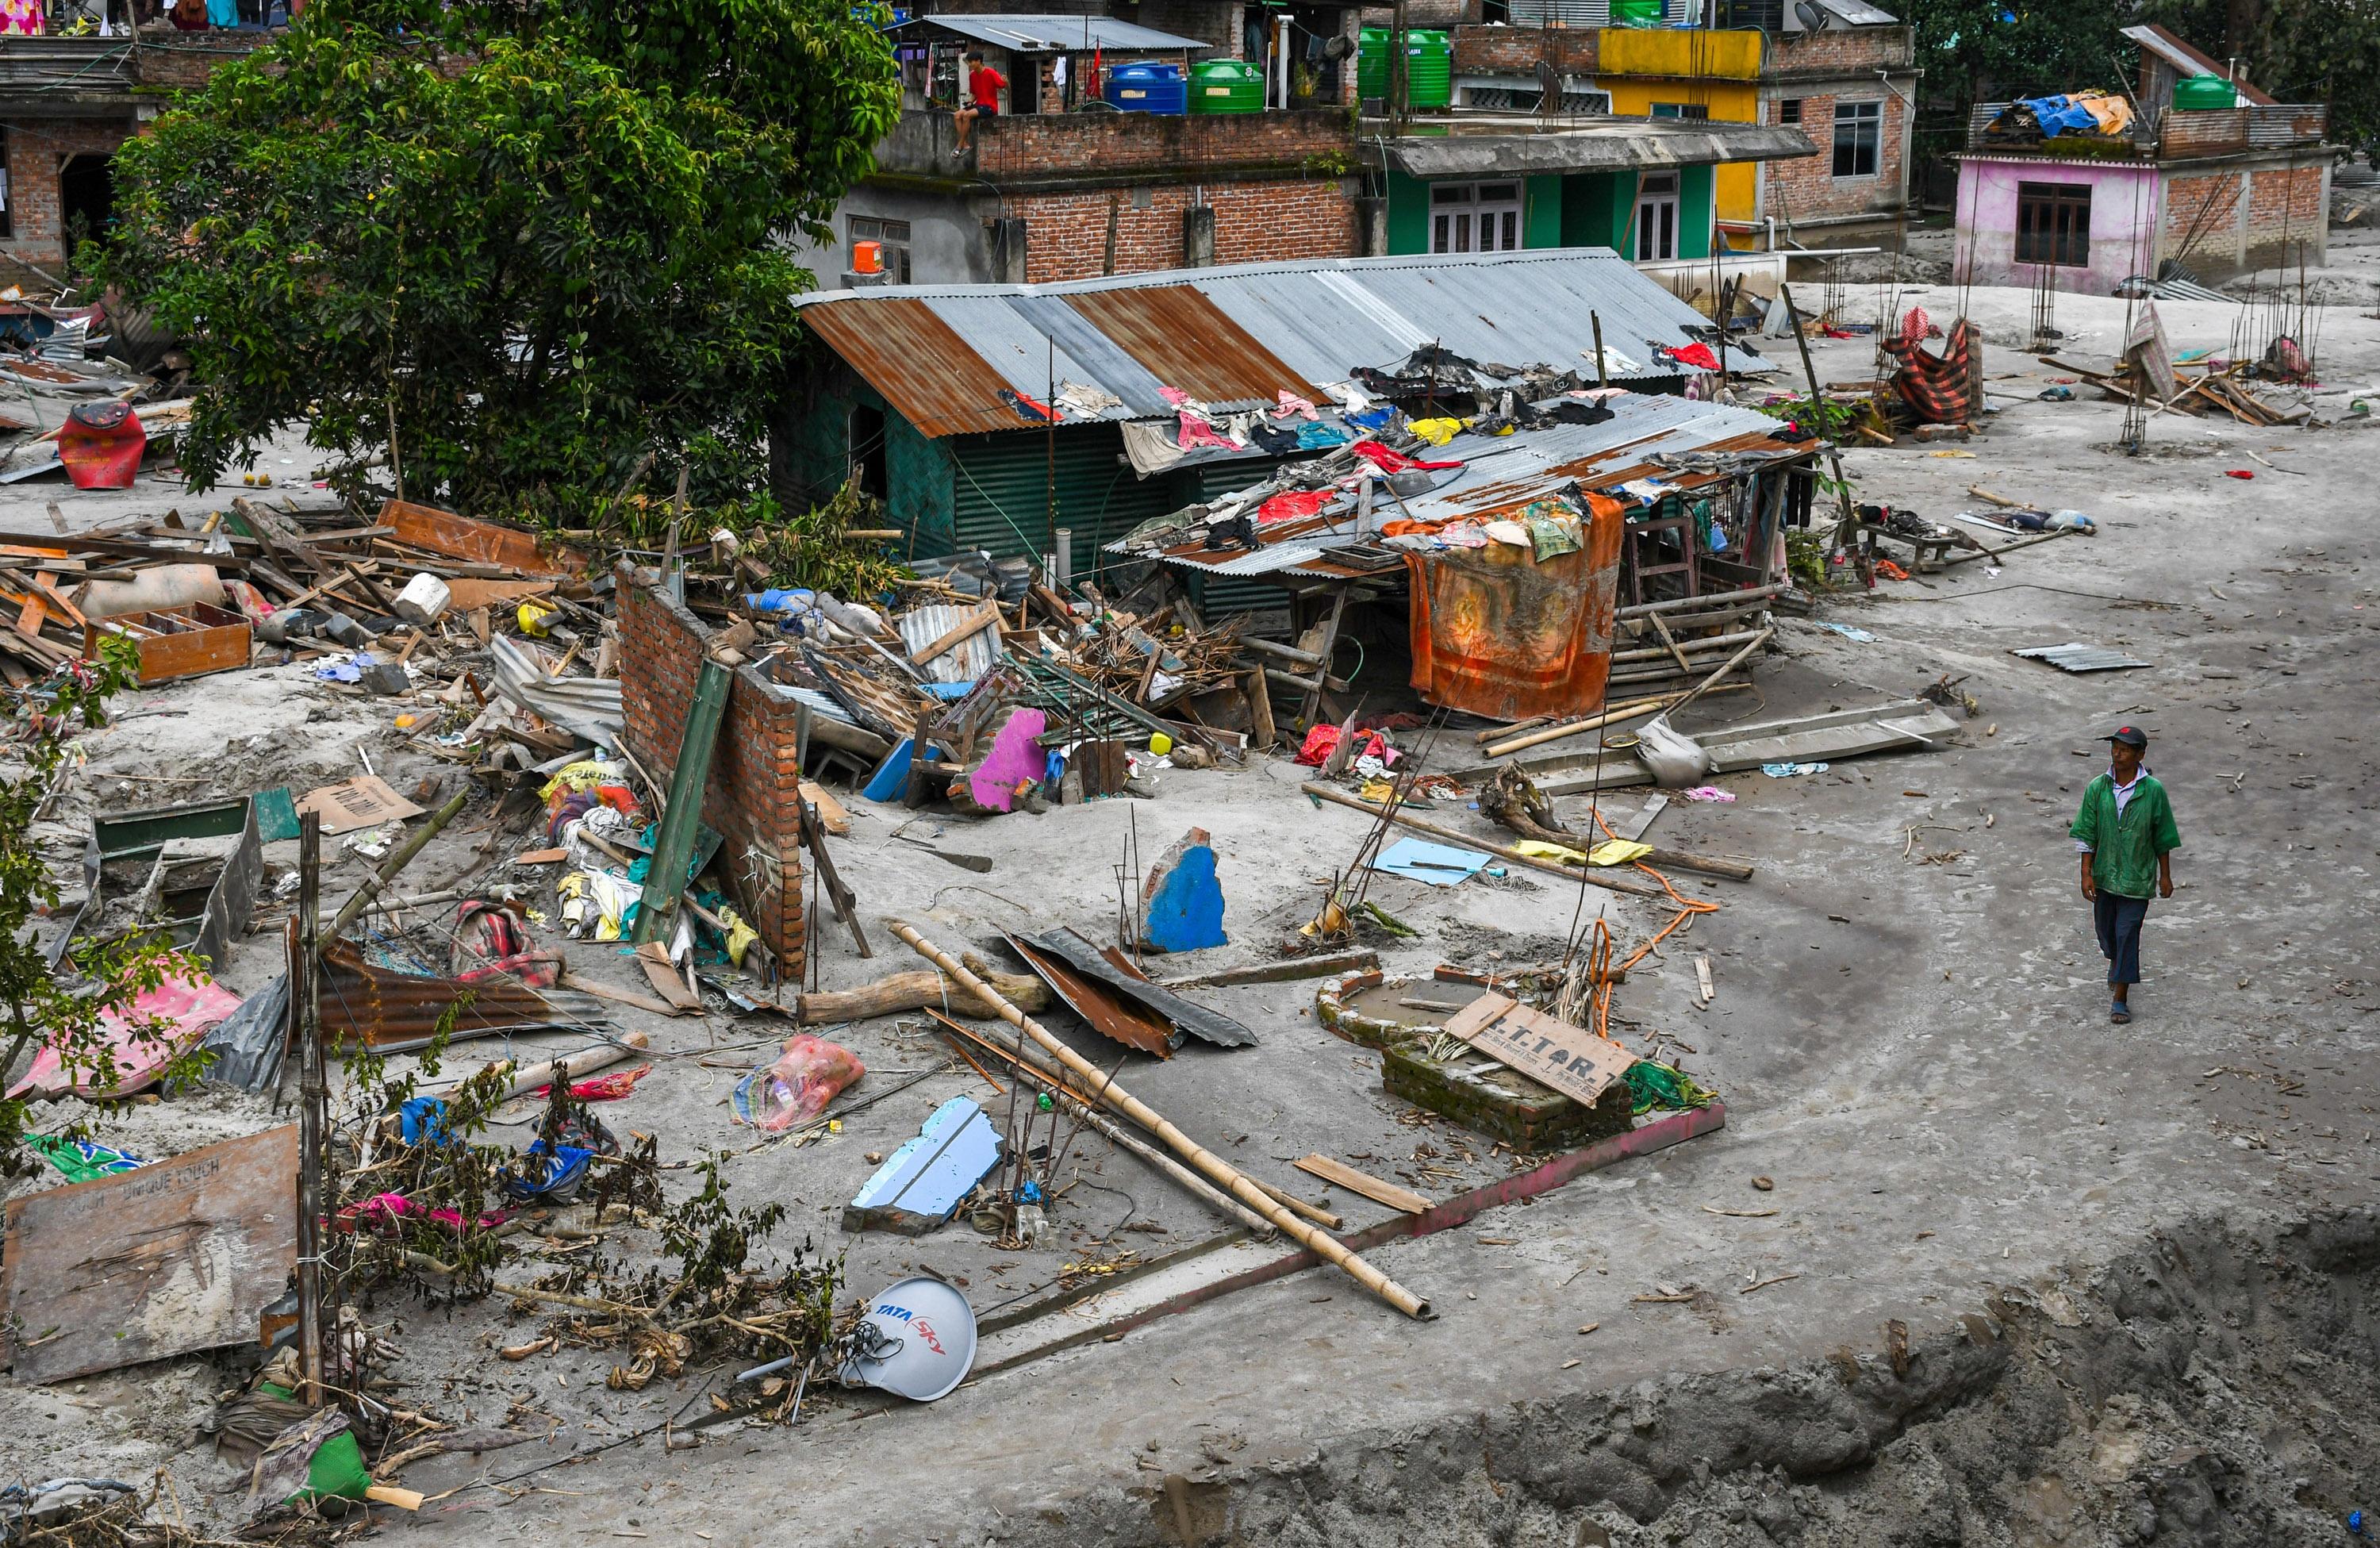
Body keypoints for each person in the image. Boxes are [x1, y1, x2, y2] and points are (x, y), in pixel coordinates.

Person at [2068, 724, 2180, 1024]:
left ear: (2141, 754)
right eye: (2115, 747)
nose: (2117, 753)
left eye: (2125, 749)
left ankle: (2120, 998)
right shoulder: (2098, 788)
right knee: (2107, 934)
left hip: (2137, 878)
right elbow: (2087, 833)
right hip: (2105, 876)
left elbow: (2163, 836)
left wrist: (2165, 876)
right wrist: (2086, 873)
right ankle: (2116, 962)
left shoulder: (2153, 791)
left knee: (2127, 933)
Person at [952, 50, 1006, 156]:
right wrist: (970, 102)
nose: (970, 64)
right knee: (957, 115)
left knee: (967, 116)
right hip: (979, 105)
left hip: (990, 107)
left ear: (978, 61)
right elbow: (974, 94)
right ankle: (965, 144)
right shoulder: (972, 76)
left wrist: (1005, 80)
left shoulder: (990, 72)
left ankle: (960, 144)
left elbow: (1001, 85)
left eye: (971, 62)